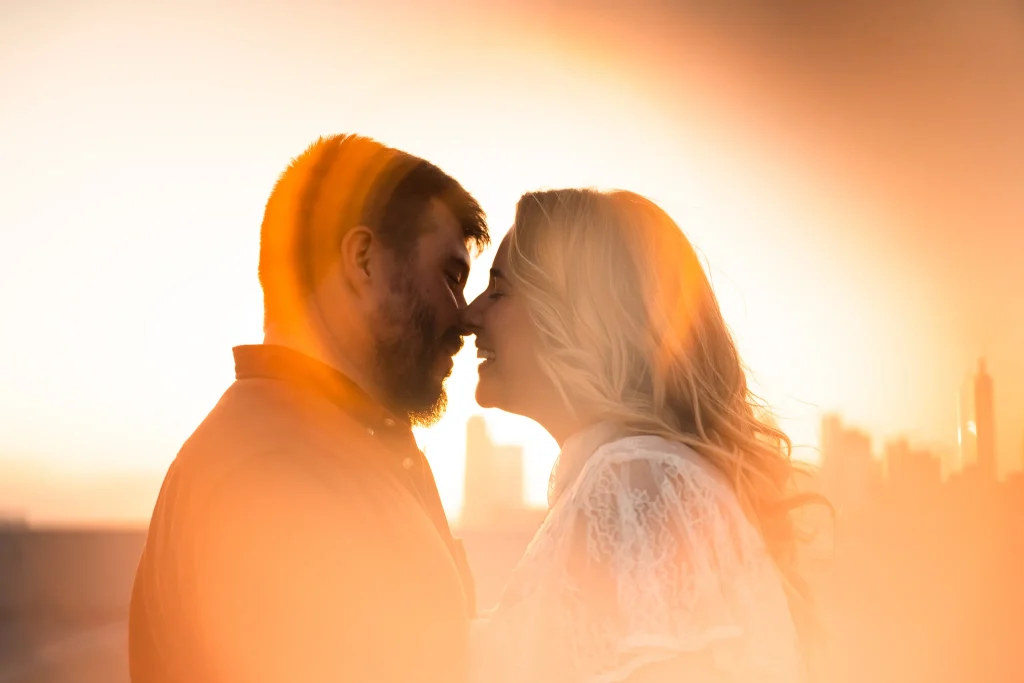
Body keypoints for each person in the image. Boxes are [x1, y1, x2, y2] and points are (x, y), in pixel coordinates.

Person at [129, 134, 489, 683]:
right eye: (451, 276)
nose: (465, 317)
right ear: (363, 260)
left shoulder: (347, 448)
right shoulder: (271, 475)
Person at [463, 189, 817, 683]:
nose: (469, 315)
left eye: (498, 291)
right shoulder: (632, 476)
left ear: (579, 314)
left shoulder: (635, 482)